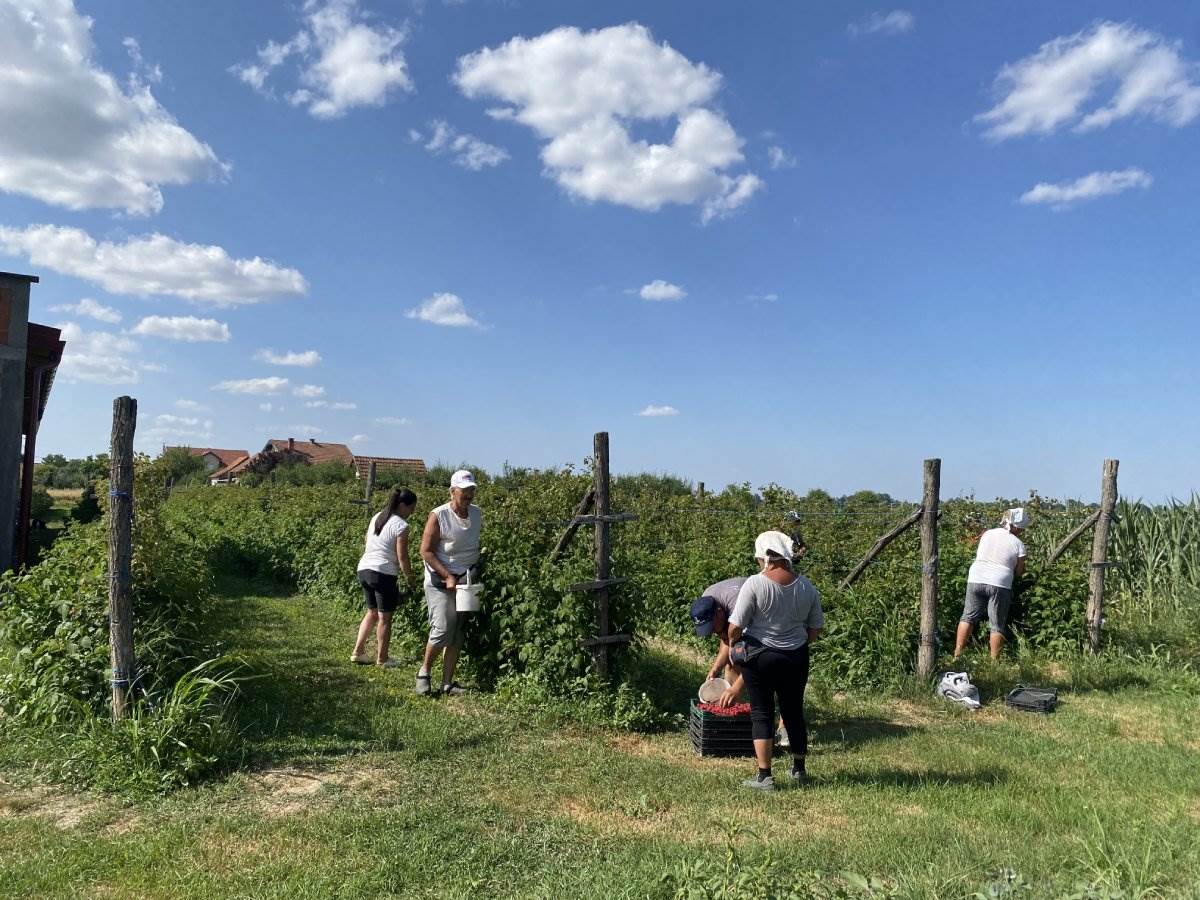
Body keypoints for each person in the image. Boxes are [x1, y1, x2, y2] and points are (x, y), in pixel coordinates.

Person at [728, 531, 824, 792]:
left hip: (760, 656)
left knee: (761, 712)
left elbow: (735, 626)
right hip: (796, 656)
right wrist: (796, 640)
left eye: (760, 559)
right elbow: (815, 630)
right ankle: (799, 769)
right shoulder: (807, 587)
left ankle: (765, 776)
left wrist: (735, 644)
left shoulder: (755, 584)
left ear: (767, 558)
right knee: (793, 711)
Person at [416, 469, 482, 696]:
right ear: (452, 491)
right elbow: (425, 551)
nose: (468, 495)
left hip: (467, 581)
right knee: (442, 628)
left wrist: (471, 572)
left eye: (471, 490)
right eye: (464, 491)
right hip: (440, 579)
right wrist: (447, 575)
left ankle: (447, 682)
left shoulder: (476, 514)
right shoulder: (439, 515)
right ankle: (424, 673)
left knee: (458, 631)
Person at [351, 488, 417, 668]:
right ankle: (383, 658)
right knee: (385, 618)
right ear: (402, 505)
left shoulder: (377, 517)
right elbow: (402, 557)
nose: (412, 512)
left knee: (372, 613)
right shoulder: (401, 525)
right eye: (411, 508)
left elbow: (367, 541)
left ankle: (358, 652)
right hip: (382, 573)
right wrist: (411, 579)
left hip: (364, 568)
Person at [954, 507, 1028, 660]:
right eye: (1021, 528)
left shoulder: (988, 533)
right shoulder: (1019, 544)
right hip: (1000, 582)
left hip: (976, 576)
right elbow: (1020, 572)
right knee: (996, 624)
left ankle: (957, 654)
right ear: (1016, 526)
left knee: (967, 617)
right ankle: (994, 661)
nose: (1021, 531)